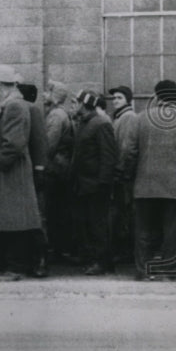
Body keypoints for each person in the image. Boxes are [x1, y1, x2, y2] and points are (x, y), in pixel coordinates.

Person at [122, 79, 176, 280]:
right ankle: (171, 270)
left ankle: (143, 270)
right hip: (175, 184)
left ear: (156, 96)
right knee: (173, 230)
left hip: (145, 183)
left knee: (144, 228)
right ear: (175, 97)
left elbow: (128, 151)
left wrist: (130, 173)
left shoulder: (140, 119)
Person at [0, 66, 41, 282]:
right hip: (9, 169)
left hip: (11, 171)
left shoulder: (14, 106)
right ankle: (11, 265)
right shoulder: (9, 105)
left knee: (13, 220)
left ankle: (16, 267)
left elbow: (14, 143)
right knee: (9, 219)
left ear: (2, 84)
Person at [70, 90, 119, 275]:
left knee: (97, 225)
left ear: (84, 104)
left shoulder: (100, 124)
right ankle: (95, 259)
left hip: (95, 185)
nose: (75, 105)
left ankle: (102, 262)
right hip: (84, 183)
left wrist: (103, 183)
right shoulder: (86, 123)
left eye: (78, 102)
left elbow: (108, 156)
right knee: (89, 224)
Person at [18, 82, 50, 278]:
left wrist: (39, 169)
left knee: (37, 218)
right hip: (22, 172)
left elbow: (39, 142)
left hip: (31, 173)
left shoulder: (31, 111)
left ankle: (41, 260)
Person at [43, 80, 75, 262]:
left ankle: (57, 250)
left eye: (48, 91)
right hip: (62, 168)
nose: (44, 94)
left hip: (55, 169)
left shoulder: (56, 115)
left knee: (54, 211)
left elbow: (49, 145)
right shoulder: (63, 113)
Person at [109, 85, 139, 263]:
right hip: (122, 173)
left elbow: (126, 147)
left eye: (119, 98)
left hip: (124, 175)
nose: (115, 101)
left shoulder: (127, 117)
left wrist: (121, 171)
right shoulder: (121, 117)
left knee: (125, 213)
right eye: (114, 98)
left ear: (128, 100)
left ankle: (126, 252)